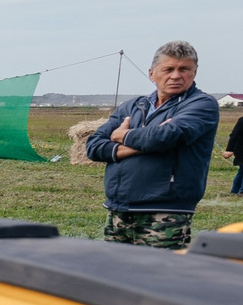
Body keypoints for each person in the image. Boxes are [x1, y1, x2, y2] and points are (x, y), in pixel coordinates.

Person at [90, 41, 219, 249]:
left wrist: (122, 135)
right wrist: (142, 141)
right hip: (119, 209)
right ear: (152, 73)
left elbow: (165, 137)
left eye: (184, 69)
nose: (176, 75)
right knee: (115, 274)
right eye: (168, 69)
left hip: (166, 210)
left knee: (158, 276)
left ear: (194, 72)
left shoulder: (201, 104)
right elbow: (94, 146)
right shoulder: (133, 106)